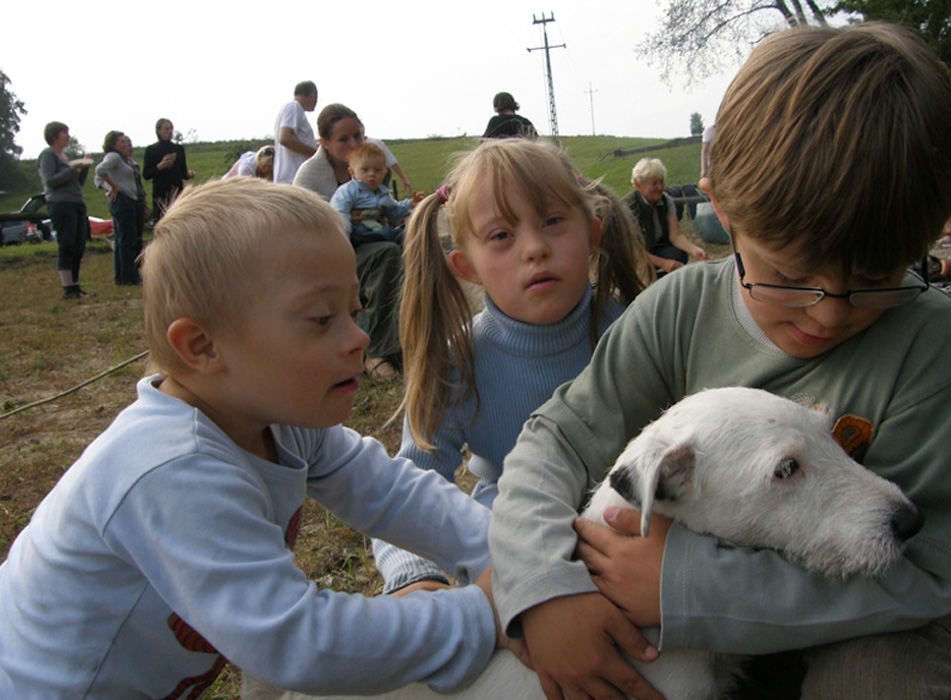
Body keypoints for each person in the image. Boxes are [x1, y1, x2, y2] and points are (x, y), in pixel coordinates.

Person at [490, 22, 951, 700]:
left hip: (911, 620)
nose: (830, 310)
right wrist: (542, 590)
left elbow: (924, 576)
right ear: (719, 208)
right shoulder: (679, 307)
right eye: (788, 273)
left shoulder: (932, 345)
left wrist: (684, 585)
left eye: (875, 275)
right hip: (728, 633)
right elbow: (555, 444)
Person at [0, 178, 517, 699]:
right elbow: (297, 641)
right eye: (321, 318)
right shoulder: (168, 469)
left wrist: (520, 562)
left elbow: (392, 492)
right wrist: (480, 614)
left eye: (354, 311)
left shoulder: (280, 416)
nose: (357, 338)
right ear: (203, 347)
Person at [372, 138, 652, 595]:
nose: (535, 248)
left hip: (625, 536)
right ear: (467, 267)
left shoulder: (635, 334)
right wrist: (411, 572)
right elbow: (410, 487)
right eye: (502, 236)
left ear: (592, 234)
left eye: (554, 221)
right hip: (506, 546)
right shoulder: (457, 359)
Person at [292, 104, 403, 379]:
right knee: (387, 255)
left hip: (367, 243)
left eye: (358, 136)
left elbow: (388, 211)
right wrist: (341, 221)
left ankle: (410, 341)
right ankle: (375, 351)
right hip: (325, 254)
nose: (353, 143)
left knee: (412, 249)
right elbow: (297, 229)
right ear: (325, 143)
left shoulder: (372, 164)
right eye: (343, 139)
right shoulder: (310, 175)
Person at [37, 121, 94, 300]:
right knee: (67, 243)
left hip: (76, 202)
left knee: (79, 244)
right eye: (64, 133)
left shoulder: (68, 155)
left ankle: (75, 285)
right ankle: (67, 287)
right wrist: (71, 169)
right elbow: (51, 181)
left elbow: (77, 183)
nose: (68, 136)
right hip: (60, 203)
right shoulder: (47, 155)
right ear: (54, 136)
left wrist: (83, 168)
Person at [623, 157, 708, 275]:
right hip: (634, 255)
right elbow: (633, 250)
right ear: (638, 185)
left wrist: (694, 250)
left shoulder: (666, 200)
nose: (660, 187)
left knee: (678, 255)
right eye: (654, 183)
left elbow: (676, 236)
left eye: (661, 182)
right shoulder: (628, 207)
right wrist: (663, 263)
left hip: (655, 249)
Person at [331, 142, 422, 247]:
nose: (372, 174)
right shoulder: (348, 191)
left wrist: (410, 204)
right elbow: (340, 214)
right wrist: (344, 240)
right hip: (357, 233)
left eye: (377, 170)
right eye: (365, 170)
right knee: (393, 235)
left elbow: (393, 212)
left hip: (376, 230)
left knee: (405, 235)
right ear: (352, 172)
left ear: (384, 173)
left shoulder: (383, 193)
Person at [95, 131, 145, 286]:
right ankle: (130, 276)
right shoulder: (114, 157)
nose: (125, 144)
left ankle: (122, 276)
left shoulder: (122, 160)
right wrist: (113, 187)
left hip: (128, 200)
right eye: (121, 142)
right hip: (123, 201)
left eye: (126, 141)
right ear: (113, 144)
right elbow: (99, 172)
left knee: (121, 239)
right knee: (126, 240)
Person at [142, 118, 195, 224]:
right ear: (159, 131)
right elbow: (146, 174)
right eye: (166, 129)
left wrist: (189, 174)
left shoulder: (178, 149)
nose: (169, 131)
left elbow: (182, 171)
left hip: (176, 190)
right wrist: (160, 166)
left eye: (171, 128)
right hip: (160, 193)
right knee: (162, 222)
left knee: (179, 221)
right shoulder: (152, 150)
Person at [273, 80, 319, 183]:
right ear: (313, 94)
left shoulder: (290, 108)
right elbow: (285, 138)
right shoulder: (294, 107)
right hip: (293, 178)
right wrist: (316, 154)